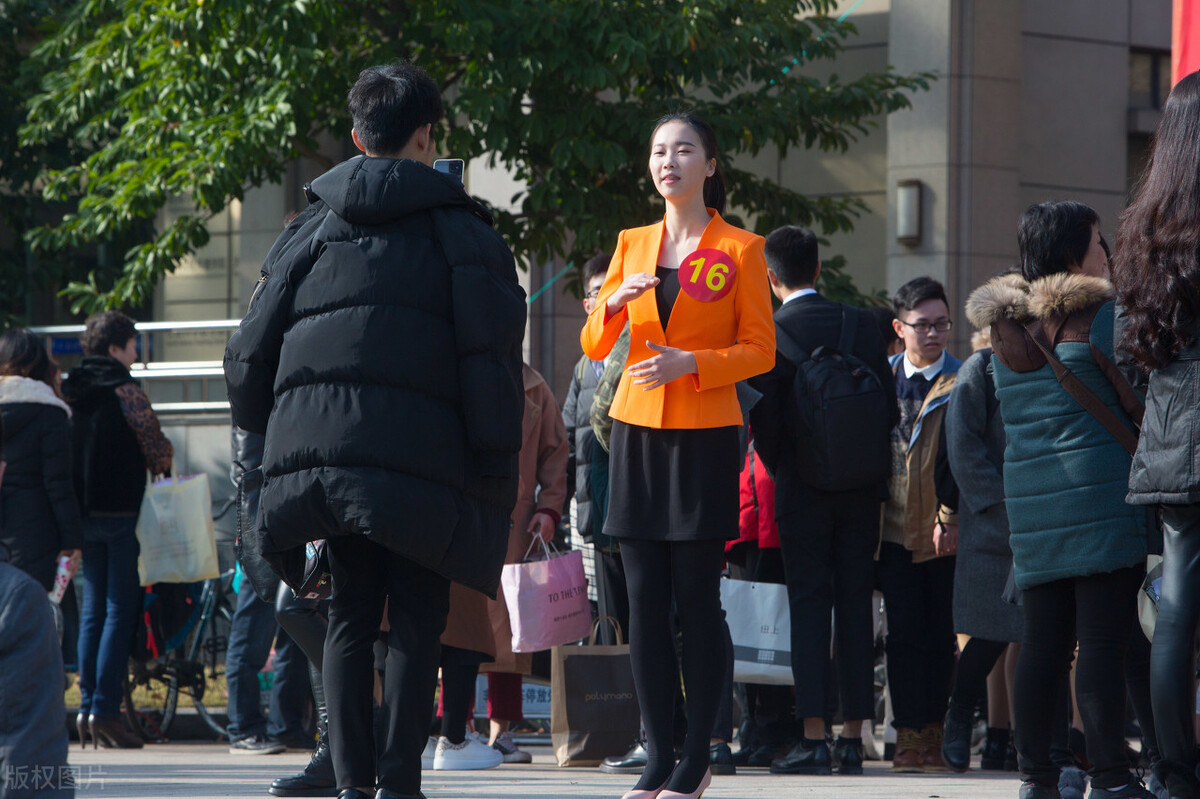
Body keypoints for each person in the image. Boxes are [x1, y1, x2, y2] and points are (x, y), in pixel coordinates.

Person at [223, 62, 526, 799]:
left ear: (358, 135)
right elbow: (492, 365)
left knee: (351, 611)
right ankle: (400, 782)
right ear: (428, 137)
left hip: (326, 459)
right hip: (429, 462)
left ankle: (352, 783)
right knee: (420, 615)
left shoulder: (309, 231)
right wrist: (493, 455)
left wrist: (274, 433)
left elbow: (246, 356)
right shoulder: (469, 236)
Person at [580, 110, 774, 799]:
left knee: (697, 601)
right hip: (634, 431)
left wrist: (692, 360)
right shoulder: (632, 243)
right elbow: (594, 344)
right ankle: (657, 753)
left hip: (703, 435)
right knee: (643, 601)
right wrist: (613, 305)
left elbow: (760, 350)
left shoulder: (741, 249)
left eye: (684, 149)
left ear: (710, 164)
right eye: (659, 150)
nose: (670, 160)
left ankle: (699, 752)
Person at [966, 200, 1150, 799]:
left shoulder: (1007, 330)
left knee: (1044, 645)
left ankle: (1035, 778)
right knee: (1101, 643)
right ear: (1075, 255)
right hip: (1101, 503)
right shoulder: (1099, 318)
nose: (1108, 255)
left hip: (1035, 512)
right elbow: (1139, 404)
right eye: (1100, 243)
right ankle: (1111, 778)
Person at [748, 226, 897, 776]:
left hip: (800, 490)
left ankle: (813, 737)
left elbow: (762, 419)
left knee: (809, 609)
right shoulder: (859, 322)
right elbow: (887, 405)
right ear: (818, 269)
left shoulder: (770, 331)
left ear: (770, 277)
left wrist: (788, 463)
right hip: (861, 491)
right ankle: (855, 738)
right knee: (856, 606)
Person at [1113, 69, 1200, 799]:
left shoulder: (1144, 229)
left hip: (1172, 441)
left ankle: (1174, 769)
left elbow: (1129, 348)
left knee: (1175, 610)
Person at [64, 310, 174, 750]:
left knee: (92, 611)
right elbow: (157, 449)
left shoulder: (69, 390)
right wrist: (162, 463)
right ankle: (106, 711)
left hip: (82, 514)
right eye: (132, 344)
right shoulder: (127, 391)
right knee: (118, 609)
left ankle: (87, 706)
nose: (136, 352)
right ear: (114, 348)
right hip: (121, 514)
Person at [875, 276, 960, 773]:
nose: (933, 334)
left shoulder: (966, 378)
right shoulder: (880, 377)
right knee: (903, 635)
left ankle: (936, 736)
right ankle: (907, 737)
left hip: (944, 531)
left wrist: (950, 517)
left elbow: (970, 458)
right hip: (889, 529)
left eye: (941, 324)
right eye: (923, 325)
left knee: (940, 634)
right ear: (899, 327)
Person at [939, 298, 1024, 772]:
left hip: (1038, 516)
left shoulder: (1047, 367)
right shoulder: (981, 368)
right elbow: (962, 441)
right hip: (991, 520)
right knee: (988, 633)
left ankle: (1032, 743)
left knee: (1039, 636)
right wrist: (992, 500)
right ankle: (959, 713)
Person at [482, 363, 569, 762]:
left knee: (511, 632)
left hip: (515, 522)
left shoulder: (534, 385)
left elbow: (556, 451)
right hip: (460, 512)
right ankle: (454, 729)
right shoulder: (453, 360)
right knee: (452, 626)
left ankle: (502, 731)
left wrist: (549, 510)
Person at [225, 426, 313, 755]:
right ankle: (244, 726)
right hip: (262, 516)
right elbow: (249, 469)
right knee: (253, 629)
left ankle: (286, 724)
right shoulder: (254, 387)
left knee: (297, 626)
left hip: (289, 511)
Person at [563, 253, 626, 641]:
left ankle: (662, 704)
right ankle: (616, 702)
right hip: (599, 520)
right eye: (598, 293)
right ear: (588, 305)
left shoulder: (643, 350)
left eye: (614, 290)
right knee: (610, 624)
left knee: (652, 622)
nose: (607, 300)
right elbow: (569, 441)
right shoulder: (584, 368)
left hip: (644, 516)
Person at [0, 329, 81, 593]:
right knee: (39, 620)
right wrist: (71, 540)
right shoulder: (48, 412)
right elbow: (58, 483)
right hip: (37, 534)